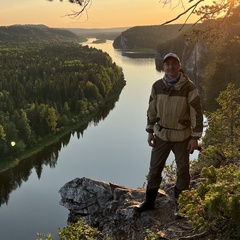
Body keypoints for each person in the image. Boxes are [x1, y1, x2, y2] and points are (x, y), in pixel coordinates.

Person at [134, 53, 203, 218]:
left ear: (179, 66)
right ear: (163, 66)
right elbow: (152, 110)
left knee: (183, 171)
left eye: (174, 64)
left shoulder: (189, 87)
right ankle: (149, 202)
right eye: (167, 64)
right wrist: (150, 131)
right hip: (162, 135)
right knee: (154, 170)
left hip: (182, 137)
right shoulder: (157, 86)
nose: (170, 67)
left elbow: (197, 113)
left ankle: (181, 207)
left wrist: (195, 137)